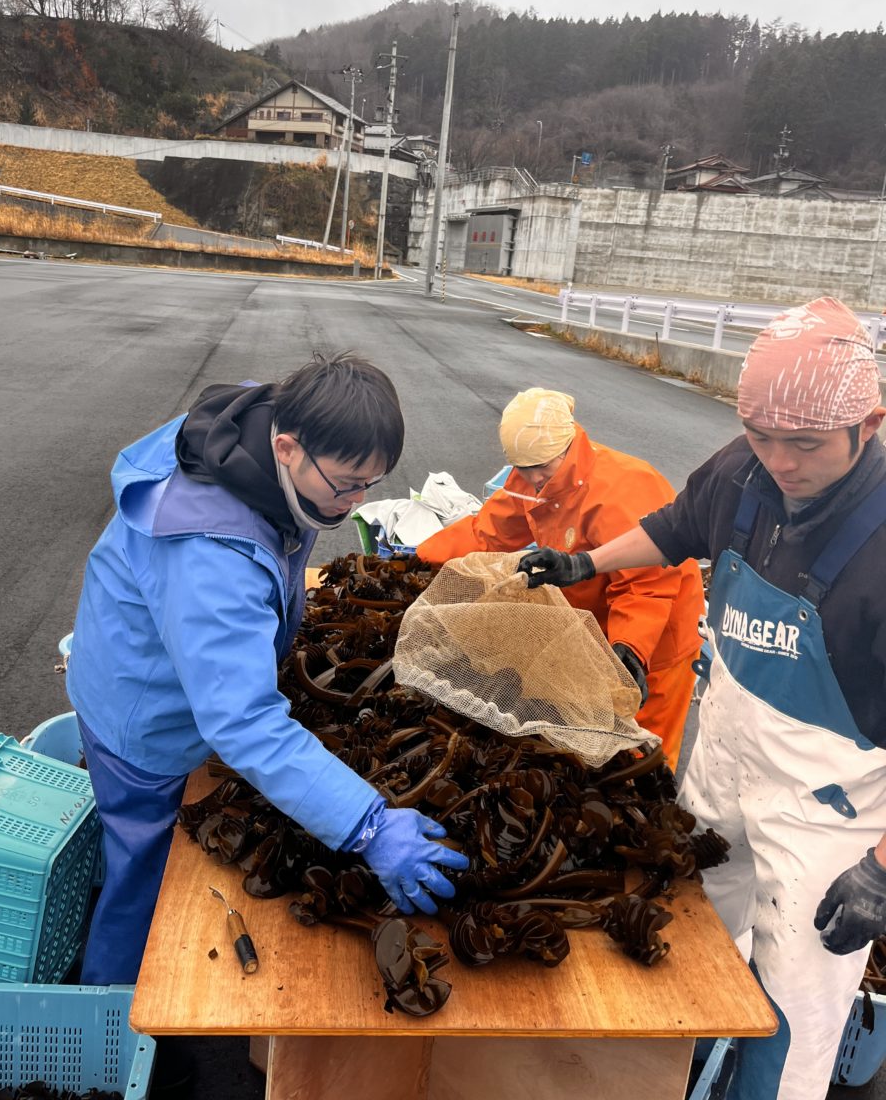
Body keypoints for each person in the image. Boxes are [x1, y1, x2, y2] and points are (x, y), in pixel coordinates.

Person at [518, 297, 886, 1100]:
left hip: (826, 811)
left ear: (870, 424)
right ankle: (663, 1075)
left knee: (792, 1003)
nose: (781, 461)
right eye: (761, 436)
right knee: (684, 936)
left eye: (806, 445)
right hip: (722, 761)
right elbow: (678, 525)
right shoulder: (742, 471)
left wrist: (884, 871)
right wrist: (587, 565)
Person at [66, 353, 468, 985]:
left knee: (156, 860)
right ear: (288, 448)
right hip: (140, 711)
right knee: (143, 875)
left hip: (157, 649)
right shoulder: (212, 554)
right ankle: (114, 1015)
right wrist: (367, 826)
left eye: (372, 481)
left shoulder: (263, 424)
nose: (358, 501)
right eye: (347, 484)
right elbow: (243, 721)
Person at [416, 388, 705, 770]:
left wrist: (632, 649)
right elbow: (487, 534)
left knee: (642, 757)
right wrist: (421, 558)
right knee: (593, 742)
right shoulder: (530, 479)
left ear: (566, 447)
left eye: (542, 467)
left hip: (659, 635)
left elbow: (645, 587)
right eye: (522, 468)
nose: (533, 479)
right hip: (597, 628)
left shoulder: (623, 487)